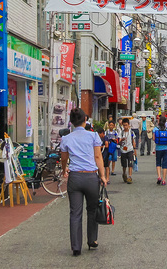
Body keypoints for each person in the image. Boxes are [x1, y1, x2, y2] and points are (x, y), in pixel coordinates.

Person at [59, 108, 106, 256]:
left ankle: (76, 246)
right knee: (92, 210)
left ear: (71, 122)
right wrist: (103, 176)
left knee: (75, 212)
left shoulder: (66, 138)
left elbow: (64, 158)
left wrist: (64, 169)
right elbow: (98, 157)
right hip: (91, 177)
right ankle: (92, 240)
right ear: (85, 120)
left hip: (75, 177)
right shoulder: (93, 136)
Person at [153, 116, 167, 185]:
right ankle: (164, 180)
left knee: (158, 163)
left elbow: (154, 139)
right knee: (165, 164)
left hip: (158, 148)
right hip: (166, 148)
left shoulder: (155, 129)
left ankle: (159, 177)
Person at [118, 118, 137, 184]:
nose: (125, 127)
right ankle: (124, 173)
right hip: (123, 149)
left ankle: (130, 176)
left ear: (129, 125)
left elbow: (133, 141)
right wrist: (121, 140)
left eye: (126, 125)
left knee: (130, 163)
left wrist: (135, 150)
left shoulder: (131, 132)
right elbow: (119, 141)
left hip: (130, 149)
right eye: (124, 125)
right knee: (124, 164)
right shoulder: (121, 132)